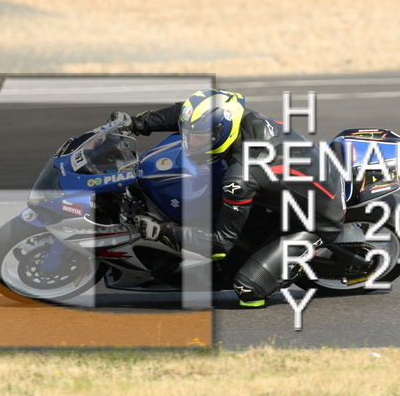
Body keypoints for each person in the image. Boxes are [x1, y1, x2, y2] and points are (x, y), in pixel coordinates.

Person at [111, 89, 345, 307]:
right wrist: (136, 123)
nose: (191, 143)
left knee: (247, 290)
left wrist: (163, 231)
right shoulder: (233, 114)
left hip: (317, 219)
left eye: (200, 138)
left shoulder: (241, 177)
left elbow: (220, 244)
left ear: (221, 131)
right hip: (295, 186)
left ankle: (298, 262)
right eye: (190, 136)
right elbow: (185, 112)